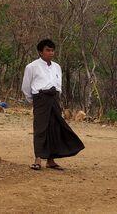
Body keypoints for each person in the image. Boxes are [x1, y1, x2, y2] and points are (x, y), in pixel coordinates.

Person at [22, 39, 84, 170]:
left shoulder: (56, 67)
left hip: (54, 98)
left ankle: (51, 160)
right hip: (40, 98)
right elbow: (26, 87)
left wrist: (56, 96)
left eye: (52, 50)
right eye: (47, 50)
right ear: (40, 52)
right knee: (40, 128)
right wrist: (34, 100)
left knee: (55, 127)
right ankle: (38, 159)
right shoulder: (32, 67)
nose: (51, 53)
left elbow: (58, 84)